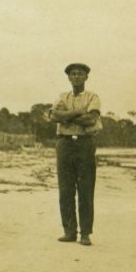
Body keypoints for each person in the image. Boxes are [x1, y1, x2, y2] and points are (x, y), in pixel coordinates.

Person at [49, 62, 102, 246]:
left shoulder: (92, 97)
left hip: (84, 144)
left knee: (86, 189)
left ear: (86, 77)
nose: (77, 77)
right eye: (73, 74)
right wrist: (78, 112)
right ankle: (69, 231)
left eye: (80, 74)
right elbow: (54, 116)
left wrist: (67, 115)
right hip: (64, 143)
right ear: (69, 77)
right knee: (66, 190)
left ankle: (85, 233)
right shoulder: (62, 96)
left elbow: (91, 119)